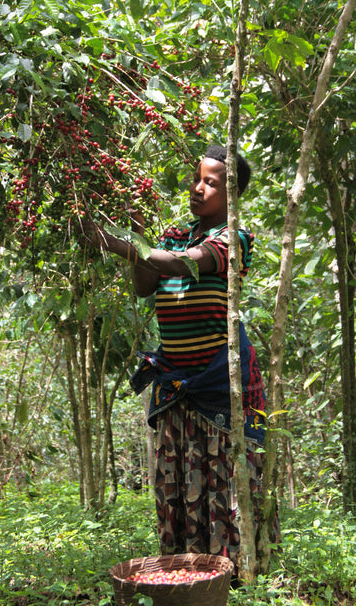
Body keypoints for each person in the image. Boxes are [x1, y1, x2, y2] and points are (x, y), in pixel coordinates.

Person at [81, 144, 277, 573]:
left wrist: (117, 244)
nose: (198, 188)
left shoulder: (233, 239)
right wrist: (135, 235)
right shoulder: (174, 237)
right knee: (180, 482)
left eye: (212, 182)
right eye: (197, 178)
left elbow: (181, 267)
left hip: (219, 384)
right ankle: (188, 573)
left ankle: (233, 575)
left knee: (223, 480)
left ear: (233, 197)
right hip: (176, 384)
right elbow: (144, 284)